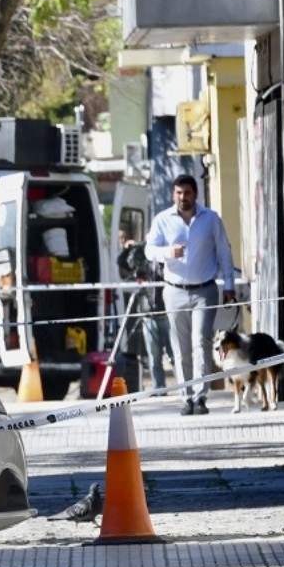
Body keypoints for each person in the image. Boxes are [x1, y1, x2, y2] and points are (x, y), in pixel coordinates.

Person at [144, 175, 236, 415]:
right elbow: (149, 250)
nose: (182, 198)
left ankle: (200, 397)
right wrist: (168, 252)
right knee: (180, 347)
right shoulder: (163, 220)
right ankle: (186, 398)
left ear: (195, 194)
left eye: (186, 193)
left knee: (200, 342)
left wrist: (229, 285)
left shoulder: (211, 219)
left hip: (204, 290)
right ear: (173, 194)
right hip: (174, 291)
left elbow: (224, 251)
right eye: (178, 193)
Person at [117, 240, 174, 390]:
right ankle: (158, 388)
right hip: (148, 314)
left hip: (168, 315)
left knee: (175, 356)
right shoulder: (141, 260)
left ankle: (184, 389)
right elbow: (122, 264)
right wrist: (128, 249)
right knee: (154, 358)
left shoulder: (164, 258)